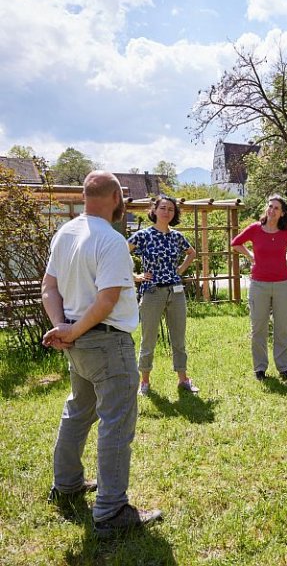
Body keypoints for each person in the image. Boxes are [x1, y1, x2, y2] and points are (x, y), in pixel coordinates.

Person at [42, 170, 162, 537]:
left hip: (77, 341)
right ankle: (110, 511)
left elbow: (49, 287)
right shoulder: (110, 240)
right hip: (106, 343)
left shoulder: (66, 233)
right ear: (115, 198)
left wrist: (63, 327)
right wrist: (72, 330)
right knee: (116, 423)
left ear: (84, 196)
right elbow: (108, 298)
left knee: (78, 411)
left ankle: (66, 484)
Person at [128, 196, 198, 396]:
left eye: (171, 209)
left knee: (179, 337)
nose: (167, 212)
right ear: (155, 210)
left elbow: (192, 253)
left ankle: (183, 379)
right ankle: (145, 381)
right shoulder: (143, 235)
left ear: (174, 214)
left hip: (175, 291)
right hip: (151, 292)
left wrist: (180, 270)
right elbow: (120, 253)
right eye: (163, 208)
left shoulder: (176, 237)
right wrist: (135, 276)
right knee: (148, 338)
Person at [231, 195, 287, 381]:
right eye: (270, 206)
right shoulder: (255, 228)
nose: (272, 210)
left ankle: (284, 368)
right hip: (259, 285)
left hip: (282, 285)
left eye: (276, 208)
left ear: (282, 213)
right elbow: (236, 244)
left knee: (282, 328)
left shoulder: (286, 230)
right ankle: (260, 369)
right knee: (258, 328)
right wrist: (250, 256)